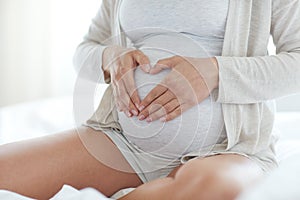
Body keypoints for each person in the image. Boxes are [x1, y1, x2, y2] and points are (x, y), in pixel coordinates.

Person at [1, 0, 300, 199]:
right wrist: (109, 57)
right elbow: (86, 49)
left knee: (212, 189)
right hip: (122, 143)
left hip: (228, 149)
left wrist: (215, 72)